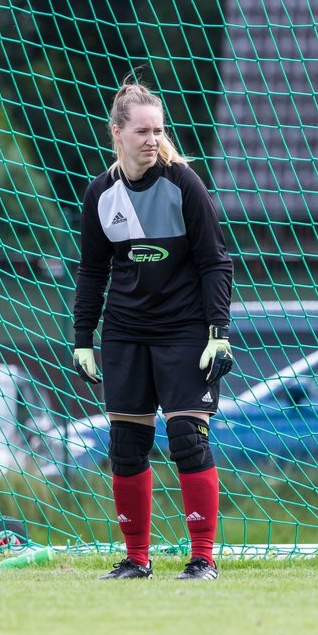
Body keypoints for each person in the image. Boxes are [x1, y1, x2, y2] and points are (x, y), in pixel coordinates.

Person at [72, 81, 234, 580]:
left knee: (187, 438)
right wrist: (82, 338)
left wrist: (218, 331)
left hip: (185, 331)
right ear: (116, 132)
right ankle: (136, 560)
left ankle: (202, 558)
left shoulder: (184, 184)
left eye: (158, 130)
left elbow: (215, 261)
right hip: (125, 335)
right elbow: (93, 271)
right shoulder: (101, 193)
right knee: (125, 446)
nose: (152, 138)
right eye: (142, 130)